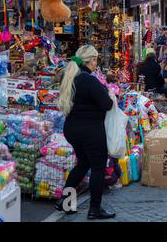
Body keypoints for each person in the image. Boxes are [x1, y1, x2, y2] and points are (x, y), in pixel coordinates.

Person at [56, 45, 116, 220]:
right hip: (90, 130)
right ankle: (94, 209)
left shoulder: (69, 77)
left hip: (72, 129)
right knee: (97, 167)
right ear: (92, 60)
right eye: (96, 60)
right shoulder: (89, 80)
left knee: (82, 164)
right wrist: (109, 93)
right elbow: (107, 105)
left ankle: (65, 203)